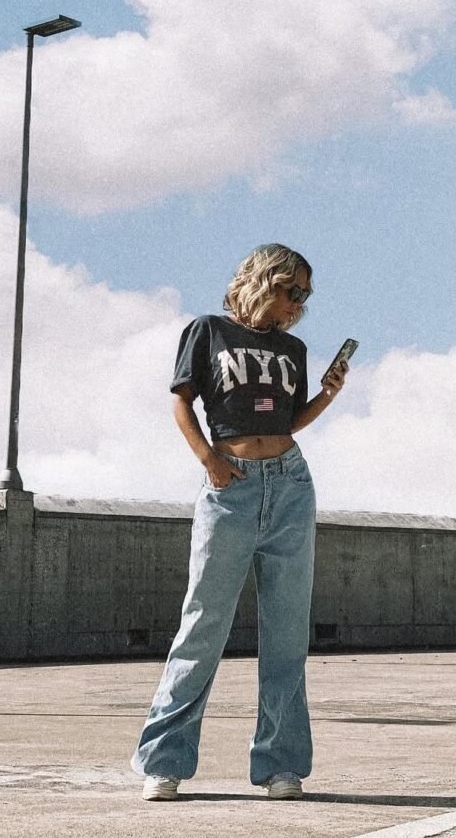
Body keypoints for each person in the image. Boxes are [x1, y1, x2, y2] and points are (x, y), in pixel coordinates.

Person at [131, 243, 349, 801]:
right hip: (230, 486)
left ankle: (281, 766)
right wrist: (208, 459)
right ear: (263, 279)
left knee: (286, 634)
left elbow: (288, 422)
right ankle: (164, 761)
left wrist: (327, 394)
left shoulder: (293, 349)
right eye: (291, 290)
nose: (297, 304)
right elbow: (182, 402)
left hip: (290, 484)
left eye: (305, 296)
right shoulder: (207, 331)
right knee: (202, 626)